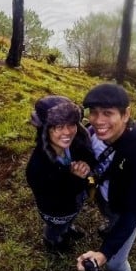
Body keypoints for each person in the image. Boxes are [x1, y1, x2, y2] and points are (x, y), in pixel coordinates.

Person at [76, 83, 136, 271]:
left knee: (114, 262)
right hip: (106, 200)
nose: (98, 120)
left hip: (125, 208)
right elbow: (88, 163)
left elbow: (135, 211)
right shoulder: (90, 134)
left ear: (126, 114)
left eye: (108, 113)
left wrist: (103, 253)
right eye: (94, 112)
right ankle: (111, 224)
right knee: (110, 217)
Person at [26, 95, 95, 251]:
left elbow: (88, 154)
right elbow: (55, 198)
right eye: (58, 126)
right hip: (56, 212)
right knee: (56, 227)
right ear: (45, 129)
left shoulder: (76, 141)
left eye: (71, 124)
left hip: (74, 205)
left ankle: (68, 228)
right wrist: (75, 179)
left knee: (70, 219)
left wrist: (86, 163)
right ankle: (52, 241)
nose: (67, 132)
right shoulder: (37, 168)